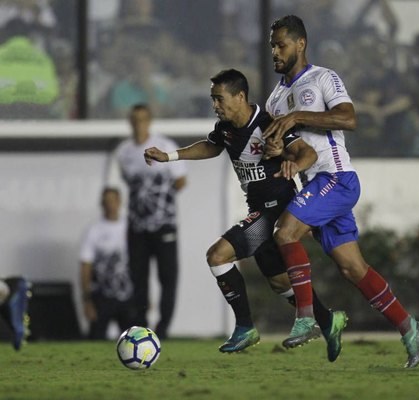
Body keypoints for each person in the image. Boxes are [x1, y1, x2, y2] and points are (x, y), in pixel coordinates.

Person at [144, 69, 348, 361]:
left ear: (240, 97)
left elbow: (308, 154)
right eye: (213, 99)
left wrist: (294, 166)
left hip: (276, 209)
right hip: (258, 209)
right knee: (279, 283)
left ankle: (245, 327)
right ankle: (329, 321)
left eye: (219, 98)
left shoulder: (268, 124)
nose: (215, 105)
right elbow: (212, 147)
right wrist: (170, 156)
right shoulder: (225, 128)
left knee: (217, 255)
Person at [262, 15, 419, 368]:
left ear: (300, 44)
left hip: (336, 178)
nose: (275, 51)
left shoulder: (324, 78)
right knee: (353, 268)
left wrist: (297, 118)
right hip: (314, 188)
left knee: (286, 232)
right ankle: (410, 327)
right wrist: (277, 149)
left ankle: (306, 318)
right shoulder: (275, 99)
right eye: (272, 45)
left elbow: (348, 118)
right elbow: (289, 146)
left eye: (281, 44)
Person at [107, 103, 187, 339]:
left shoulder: (165, 146)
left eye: (142, 119)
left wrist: (159, 197)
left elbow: (181, 180)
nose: (138, 123)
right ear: (130, 121)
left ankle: (163, 328)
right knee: (138, 278)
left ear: (149, 120)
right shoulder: (124, 152)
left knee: (167, 277)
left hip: (164, 225)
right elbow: (120, 183)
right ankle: (141, 326)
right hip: (137, 227)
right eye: (134, 119)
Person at [79, 187, 135, 340]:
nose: (110, 204)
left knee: (136, 338)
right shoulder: (94, 231)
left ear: (120, 201)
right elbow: (85, 266)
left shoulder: (131, 228)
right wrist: (87, 300)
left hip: (128, 294)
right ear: (102, 203)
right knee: (96, 338)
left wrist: (146, 293)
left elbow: (141, 264)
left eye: (113, 200)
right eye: (106, 201)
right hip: (102, 296)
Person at [0, 277, 29, 350]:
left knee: (15, 322)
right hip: (8, 287)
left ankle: (18, 336)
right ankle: (18, 336)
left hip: (10, 287)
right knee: (16, 322)